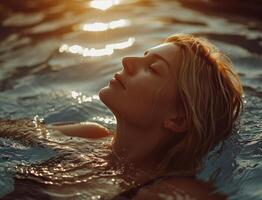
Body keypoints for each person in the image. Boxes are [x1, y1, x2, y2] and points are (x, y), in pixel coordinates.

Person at [48, 33, 243, 199]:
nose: (127, 61)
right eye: (144, 57)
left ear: (177, 119)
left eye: (153, 68)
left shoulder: (175, 191)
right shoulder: (86, 135)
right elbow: (17, 133)